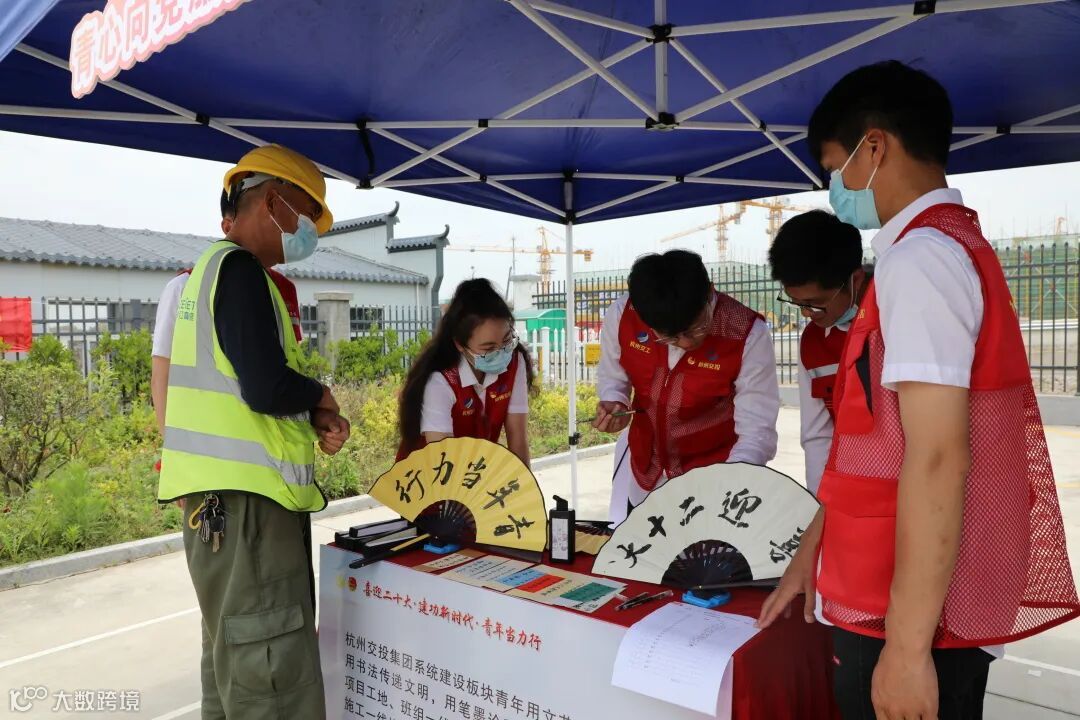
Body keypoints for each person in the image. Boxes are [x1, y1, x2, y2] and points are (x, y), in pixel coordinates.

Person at [757, 61, 1079, 720]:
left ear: (874, 147)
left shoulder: (919, 260)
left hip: (903, 612)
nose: (837, 188)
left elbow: (936, 457)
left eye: (835, 167)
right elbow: (873, 451)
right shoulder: (948, 248)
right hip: (905, 592)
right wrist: (811, 554)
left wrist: (905, 651)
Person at [158, 144, 351, 720]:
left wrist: (310, 416)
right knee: (273, 677)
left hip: (217, 509)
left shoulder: (209, 276)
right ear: (273, 202)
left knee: (233, 668)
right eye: (306, 215)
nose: (308, 232)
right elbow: (265, 388)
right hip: (250, 516)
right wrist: (320, 396)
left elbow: (239, 390)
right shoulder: (240, 271)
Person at [594, 249, 779, 523]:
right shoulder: (623, 315)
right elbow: (613, 377)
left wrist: (730, 485)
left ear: (710, 293)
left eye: (696, 328)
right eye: (668, 337)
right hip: (646, 477)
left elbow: (756, 431)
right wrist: (614, 401)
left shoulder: (747, 333)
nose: (685, 343)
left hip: (715, 484)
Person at [151, 190, 306, 479]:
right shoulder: (184, 288)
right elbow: (163, 376)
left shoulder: (283, 289)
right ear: (228, 226)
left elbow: (288, 371)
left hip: (277, 462)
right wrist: (173, 457)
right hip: (213, 463)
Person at [767, 210, 869, 494]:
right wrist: (820, 500)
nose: (806, 313)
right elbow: (817, 436)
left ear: (855, 280)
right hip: (850, 486)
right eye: (797, 302)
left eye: (816, 303)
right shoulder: (812, 342)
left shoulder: (893, 322)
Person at [398, 278, 534, 466]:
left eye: (506, 340)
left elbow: (518, 438)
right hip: (427, 475)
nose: (502, 352)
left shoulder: (514, 361)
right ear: (460, 344)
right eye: (488, 348)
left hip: (473, 472)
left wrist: (526, 484)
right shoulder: (440, 381)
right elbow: (443, 463)